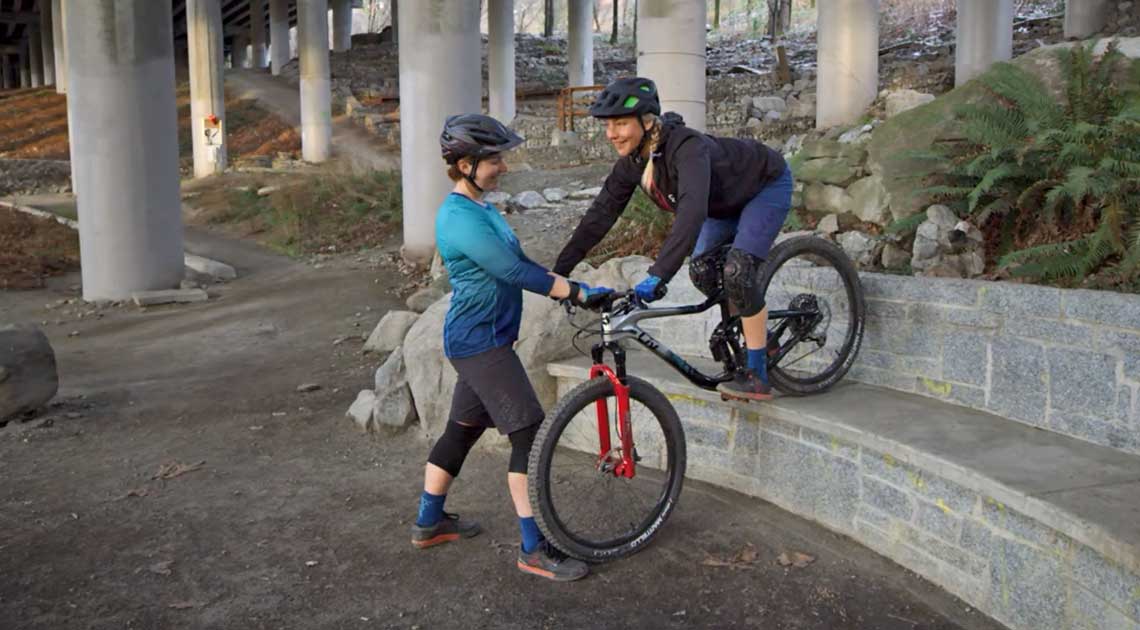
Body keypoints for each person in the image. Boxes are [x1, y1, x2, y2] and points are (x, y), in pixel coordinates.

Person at [409, 113, 609, 582]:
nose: (501, 166)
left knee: (461, 431)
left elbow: (522, 261)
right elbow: (513, 273)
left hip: (486, 340)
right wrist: (577, 294)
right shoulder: (457, 217)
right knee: (531, 436)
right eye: (492, 158)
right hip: (479, 344)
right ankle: (533, 549)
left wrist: (577, 283)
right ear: (463, 164)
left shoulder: (481, 209)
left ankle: (428, 521)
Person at [552, 77, 794, 402]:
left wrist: (658, 274)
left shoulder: (687, 148)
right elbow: (600, 217)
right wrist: (559, 271)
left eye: (620, 124)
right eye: (608, 126)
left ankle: (757, 375)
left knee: (737, 270)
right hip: (721, 204)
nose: (611, 134)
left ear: (647, 121)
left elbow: (691, 214)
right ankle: (761, 337)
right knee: (703, 272)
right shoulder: (634, 162)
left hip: (763, 186)